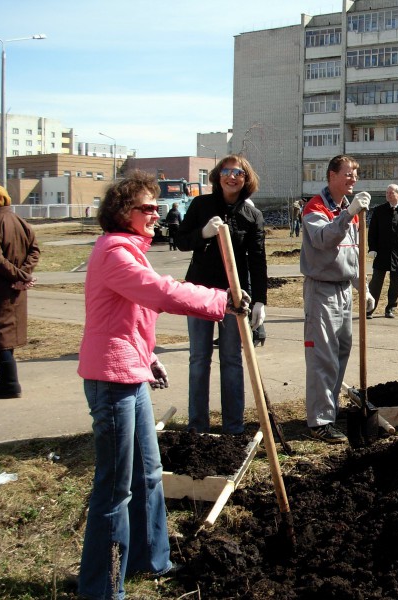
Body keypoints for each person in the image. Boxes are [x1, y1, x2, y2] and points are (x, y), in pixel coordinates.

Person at [77, 171, 250, 600]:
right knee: (115, 488)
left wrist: (149, 358)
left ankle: (152, 560)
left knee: (149, 474)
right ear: (122, 212)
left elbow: (132, 317)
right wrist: (220, 300)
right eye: (147, 207)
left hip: (130, 372)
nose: (157, 214)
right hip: (110, 380)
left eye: (157, 206)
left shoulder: (132, 250)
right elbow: (158, 293)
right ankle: (101, 588)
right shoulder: (115, 252)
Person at [174, 155, 267, 434]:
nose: (232, 177)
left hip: (234, 297)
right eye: (226, 172)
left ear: (245, 179)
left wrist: (259, 300)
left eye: (238, 173)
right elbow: (180, 241)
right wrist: (202, 233)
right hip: (200, 292)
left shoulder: (252, 216)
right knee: (199, 359)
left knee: (231, 359)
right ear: (218, 176)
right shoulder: (201, 205)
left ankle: (233, 427)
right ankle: (198, 426)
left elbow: (257, 260)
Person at [300, 154, 375, 443]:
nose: (353, 178)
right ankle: (319, 421)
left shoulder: (349, 208)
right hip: (322, 289)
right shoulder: (316, 207)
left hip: (344, 288)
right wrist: (348, 214)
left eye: (356, 173)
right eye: (348, 173)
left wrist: (363, 287)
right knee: (323, 355)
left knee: (341, 350)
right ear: (331, 175)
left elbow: (354, 254)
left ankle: (330, 410)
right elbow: (323, 240)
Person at [0, 184, 40, 399]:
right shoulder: (21, 222)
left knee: (0, 335)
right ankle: (5, 381)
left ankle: (9, 384)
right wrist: (23, 275)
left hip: (0, 288)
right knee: (7, 334)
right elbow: (35, 251)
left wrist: (20, 277)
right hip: (16, 289)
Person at [366, 183, 398, 319]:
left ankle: (390, 308)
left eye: (391, 192)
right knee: (376, 282)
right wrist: (372, 248)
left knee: (396, 283)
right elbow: (372, 232)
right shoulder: (379, 210)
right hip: (381, 253)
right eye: (387, 192)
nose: (388, 194)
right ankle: (369, 309)